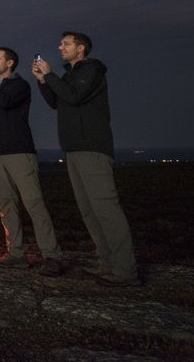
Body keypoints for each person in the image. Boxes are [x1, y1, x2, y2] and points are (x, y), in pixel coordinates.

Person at [33, 31, 139, 286]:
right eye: (60, 43)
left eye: (66, 43)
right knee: (89, 211)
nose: (60, 47)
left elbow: (74, 96)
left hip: (92, 147)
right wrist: (42, 80)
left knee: (105, 208)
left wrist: (50, 75)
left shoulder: (92, 70)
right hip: (73, 148)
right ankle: (107, 263)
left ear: (81, 48)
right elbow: (56, 102)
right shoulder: (69, 76)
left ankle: (126, 271)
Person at [0, 47, 63, 275]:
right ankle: (15, 254)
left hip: (19, 153)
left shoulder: (19, 86)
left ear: (10, 63)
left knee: (34, 204)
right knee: (6, 206)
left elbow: (4, 101)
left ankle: (52, 255)